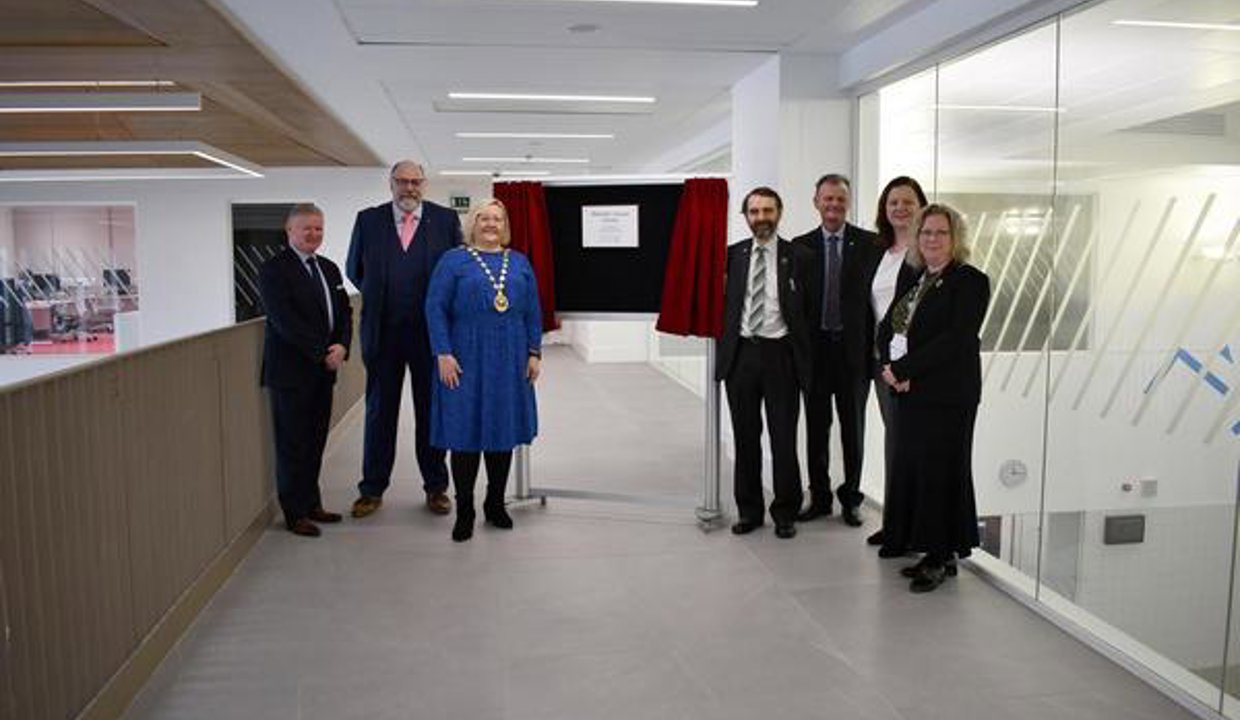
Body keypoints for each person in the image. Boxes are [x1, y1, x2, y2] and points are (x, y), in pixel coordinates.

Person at [876, 203, 990, 592]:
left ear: (955, 239)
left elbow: (955, 340)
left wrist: (905, 372)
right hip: (911, 392)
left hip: (948, 396)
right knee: (921, 472)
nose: (932, 240)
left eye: (941, 233)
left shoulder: (971, 281)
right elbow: (888, 326)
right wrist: (890, 370)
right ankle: (931, 549)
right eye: (926, 233)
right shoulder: (916, 279)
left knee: (943, 473)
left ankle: (941, 557)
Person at [346, 160, 463, 519]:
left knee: (432, 411)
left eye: (415, 182)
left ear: (424, 185)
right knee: (380, 411)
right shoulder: (369, 220)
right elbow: (355, 269)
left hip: (431, 336)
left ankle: (436, 487)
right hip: (383, 333)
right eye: (402, 182)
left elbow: (455, 272)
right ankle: (372, 490)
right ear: (391, 184)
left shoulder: (444, 220)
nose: (409, 188)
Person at [425, 199, 541, 542]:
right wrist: (442, 353)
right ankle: (465, 510)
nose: (490, 224)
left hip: (510, 356)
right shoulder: (453, 260)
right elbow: (434, 307)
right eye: (484, 218)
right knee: (464, 433)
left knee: (501, 430)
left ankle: (495, 504)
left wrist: (534, 352)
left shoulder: (519, 261)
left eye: (497, 219)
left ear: (504, 224)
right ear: (472, 223)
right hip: (464, 355)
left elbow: (532, 310)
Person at [717, 187, 814, 540]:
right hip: (741, 355)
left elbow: (808, 313)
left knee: (784, 438)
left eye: (767, 210)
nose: (761, 218)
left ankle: (785, 511)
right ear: (745, 216)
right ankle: (749, 511)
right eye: (754, 211)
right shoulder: (731, 256)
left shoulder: (799, 256)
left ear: (780, 213)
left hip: (781, 357)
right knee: (745, 438)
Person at [258, 204, 353, 537]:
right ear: (289, 231)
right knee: (292, 445)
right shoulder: (274, 270)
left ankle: (313, 503)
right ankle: (294, 512)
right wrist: (320, 353)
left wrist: (342, 346)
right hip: (291, 374)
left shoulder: (328, 268)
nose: (314, 234)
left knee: (315, 442)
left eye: (319, 229)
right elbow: (285, 322)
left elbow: (344, 313)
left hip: (324, 371)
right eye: (306, 229)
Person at [792, 174, 879, 528]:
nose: (833, 205)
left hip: (854, 354)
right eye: (827, 199)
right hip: (815, 355)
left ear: (848, 202)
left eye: (840, 199)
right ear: (816, 202)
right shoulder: (800, 247)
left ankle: (852, 499)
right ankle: (820, 498)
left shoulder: (871, 244)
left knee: (853, 431)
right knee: (816, 430)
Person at [865, 176, 927, 555]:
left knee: (913, 445)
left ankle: (914, 529)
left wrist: (907, 366)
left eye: (907, 202)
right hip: (880, 362)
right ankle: (895, 524)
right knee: (895, 443)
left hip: (910, 366)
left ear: (921, 205)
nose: (900, 209)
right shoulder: (880, 252)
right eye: (893, 203)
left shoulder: (926, 251)